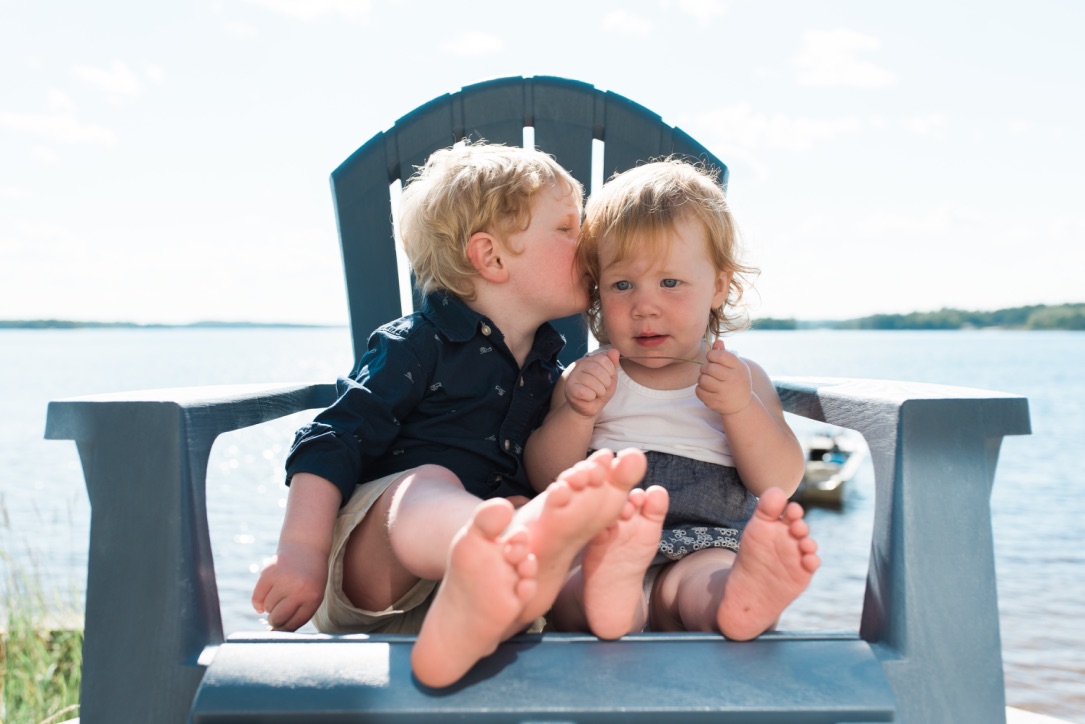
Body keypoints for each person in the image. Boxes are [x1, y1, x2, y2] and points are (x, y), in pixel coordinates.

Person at [251, 141, 647, 688]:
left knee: (527, 508)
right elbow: (331, 440)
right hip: (377, 573)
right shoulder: (417, 345)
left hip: (468, 599)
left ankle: (499, 609)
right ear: (491, 257)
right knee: (431, 484)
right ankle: (500, 546)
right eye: (566, 228)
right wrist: (301, 552)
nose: (590, 241)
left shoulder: (549, 373)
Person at [524, 158, 820, 641]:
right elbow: (546, 479)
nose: (645, 305)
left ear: (718, 286)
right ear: (597, 293)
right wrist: (578, 413)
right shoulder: (590, 378)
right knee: (576, 578)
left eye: (669, 282)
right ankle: (610, 598)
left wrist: (740, 408)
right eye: (622, 285)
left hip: (706, 544)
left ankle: (737, 602)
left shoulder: (742, 379)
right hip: (603, 541)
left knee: (706, 581)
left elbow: (779, 483)